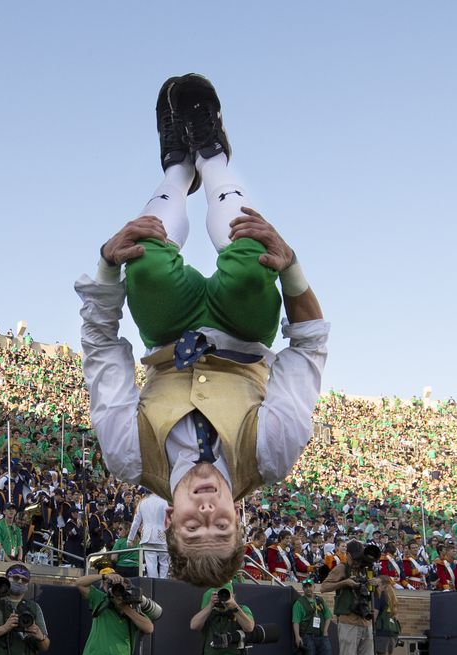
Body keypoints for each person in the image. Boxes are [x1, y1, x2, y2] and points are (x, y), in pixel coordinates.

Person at [75, 73, 329, 588]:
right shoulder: (271, 454)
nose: (208, 507)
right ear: (243, 521)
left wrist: (106, 265)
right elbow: (307, 349)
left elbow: (102, 347)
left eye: (195, 524)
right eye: (222, 523)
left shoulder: (129, 456)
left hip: (167, 335)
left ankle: (176, 170)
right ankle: (212, 157)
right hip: (243, 334)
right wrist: (291, 265)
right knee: (253, 264)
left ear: (169, 521)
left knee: (141, 260)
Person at [322, 550, 378, 655]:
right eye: (356, 559)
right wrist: (344, 583)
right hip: (348, 620)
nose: (358, 563)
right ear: (349, 555)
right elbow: (325, 587)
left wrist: (376, 583)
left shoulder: (366, 569)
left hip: (365, 620)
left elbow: (375, 591)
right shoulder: (341, 568)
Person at [291, 579, 333, 655]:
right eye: (306, 587)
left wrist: (325, 631)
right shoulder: (299, 603)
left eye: (310, 586)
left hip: (322, 637)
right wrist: (297, 636)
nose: (308, 588)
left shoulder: (319, 600)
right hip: (307, 636)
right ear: (303, 589)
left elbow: (328, 616)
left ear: (314, 588)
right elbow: (296, 621)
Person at [373, 584, 408, 655]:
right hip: (393, 630)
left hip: (382, 630)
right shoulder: (392, 598)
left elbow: (375, 614)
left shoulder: (379, 596)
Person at [127, 491, 168, 578]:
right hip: (161, 535)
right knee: (164, 561)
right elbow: (169, 520)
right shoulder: (164, 501)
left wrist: (130, 539)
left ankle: (154, 585)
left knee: (150, 563)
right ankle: (163, 583)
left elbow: (136, 522)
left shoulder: (142, 502)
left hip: (146, 535)